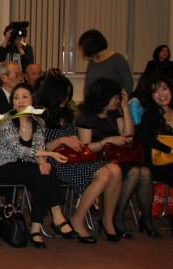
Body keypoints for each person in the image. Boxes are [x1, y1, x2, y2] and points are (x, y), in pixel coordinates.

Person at [34, 71, 122, 243]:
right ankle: (77, 218)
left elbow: (75, 139)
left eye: (68, 95)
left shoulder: (65, 113)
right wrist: (62, 140)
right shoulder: (38, 115)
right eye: (64, 95)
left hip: (72, 157)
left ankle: (107, 219)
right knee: (104, 174)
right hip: (54, 160)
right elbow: (37, 147)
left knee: (116, 170)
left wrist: (74, 141)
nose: (66, 99)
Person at [0, 83, 77, 248]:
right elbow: (18, 150)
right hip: (6, 167)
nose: (20, 101)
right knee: (39, 171)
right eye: (16, 98)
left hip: (30, 167)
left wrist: (43, 162)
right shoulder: (4, 120)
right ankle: (55, 218)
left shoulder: (38, 121)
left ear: (32, 100)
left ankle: (37, 226)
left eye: (25, 97)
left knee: (44, 172)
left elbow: (39, 146)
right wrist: (49, 155)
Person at [77, 78, 149, 239]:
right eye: (116, 97)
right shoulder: (86, 116)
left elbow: (129, 136)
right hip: (95, 158)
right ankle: (113, 218)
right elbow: (85, 149)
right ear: (104, 97)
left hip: (117, 157)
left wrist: (125, 108)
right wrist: (106, 141)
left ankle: (114, 218)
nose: (118, 100)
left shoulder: (114, 113)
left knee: (141, 171)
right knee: (128, 172)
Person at [136, 75, 173, 236]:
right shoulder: (151, 114)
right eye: (156, 91)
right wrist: (169, 150)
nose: (161, 94)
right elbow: (144, 138)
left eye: (164, 89)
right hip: (156, 162)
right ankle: (148, 219)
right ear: (151, 96)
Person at [78, 29, 134, 96]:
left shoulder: (117, 59)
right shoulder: (92, 62)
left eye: (83, 48)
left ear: (90, 47)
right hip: (95, 102)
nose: (83, 52)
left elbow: (128, 85)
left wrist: (119, 100)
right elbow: (87, 87)